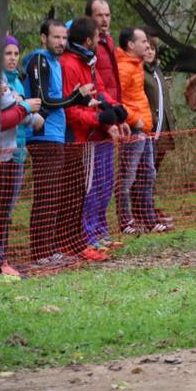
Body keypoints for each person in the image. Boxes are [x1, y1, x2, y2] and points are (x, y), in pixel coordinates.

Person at [22, 19, 94, 266]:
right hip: (42, 137)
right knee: (46, 194)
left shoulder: (54, 63)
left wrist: (81, 100)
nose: (61, 43)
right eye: (56, 37)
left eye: (64, 38)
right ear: (44, 38)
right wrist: (75, 97)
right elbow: (42, 101)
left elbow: (58, 100)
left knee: (54, 194)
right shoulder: (39, 59)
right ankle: (41, 253)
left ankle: (50, 248)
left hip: (57, 135)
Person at [61, 16, 129, 262]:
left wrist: (115, 109)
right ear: (88, 40)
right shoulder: (69, 64)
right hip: (83, 137)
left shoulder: (88, 61)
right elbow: (71, 108)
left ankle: (99, 231)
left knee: (103, 185)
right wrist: (98, 120)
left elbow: (100, 90)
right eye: (96, 37)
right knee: (89, 189)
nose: (100, 41)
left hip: (98, 135)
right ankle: (87, 235)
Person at [0, 37, 43, 279]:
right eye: (7, 53)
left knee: (6, 212)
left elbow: (18, 112)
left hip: (17, 152)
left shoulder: (17, 82)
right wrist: (26, 108)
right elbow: (4, 117)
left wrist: (29, 113)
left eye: (16, 53)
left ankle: (0, 260)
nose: (13, 58)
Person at [115, 26, 168, 233]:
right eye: (144, 41)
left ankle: (148, 218)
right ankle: (125, 220)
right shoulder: (124, 68)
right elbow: (117, 100)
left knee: (148, 173)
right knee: (128, 176)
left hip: (145, 129)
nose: (147, 45)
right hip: (134, 130)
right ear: (131, 44)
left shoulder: (137, 66)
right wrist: (133, 119)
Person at [81, 0, 121, 251]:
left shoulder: (108, 42)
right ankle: (89, 232)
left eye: (107, 15)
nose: (105, 20)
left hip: (110, 115)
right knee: (93, 184)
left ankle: (101, 228)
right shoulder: (88, 50)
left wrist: (118, 114)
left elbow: (110, 84)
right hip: (95, 125)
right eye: (99, 15)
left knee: (107, 181)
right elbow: (94, 89)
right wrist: (106, 119)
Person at [141, 32, 176, 226]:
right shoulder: (140, 72)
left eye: (152, 48)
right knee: (145, 173)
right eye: (146, 48)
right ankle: (143, 211)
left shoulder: (157, 71)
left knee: (153, 172)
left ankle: (151, 205)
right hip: (149, 129)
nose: (149, 52)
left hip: (163, 130)